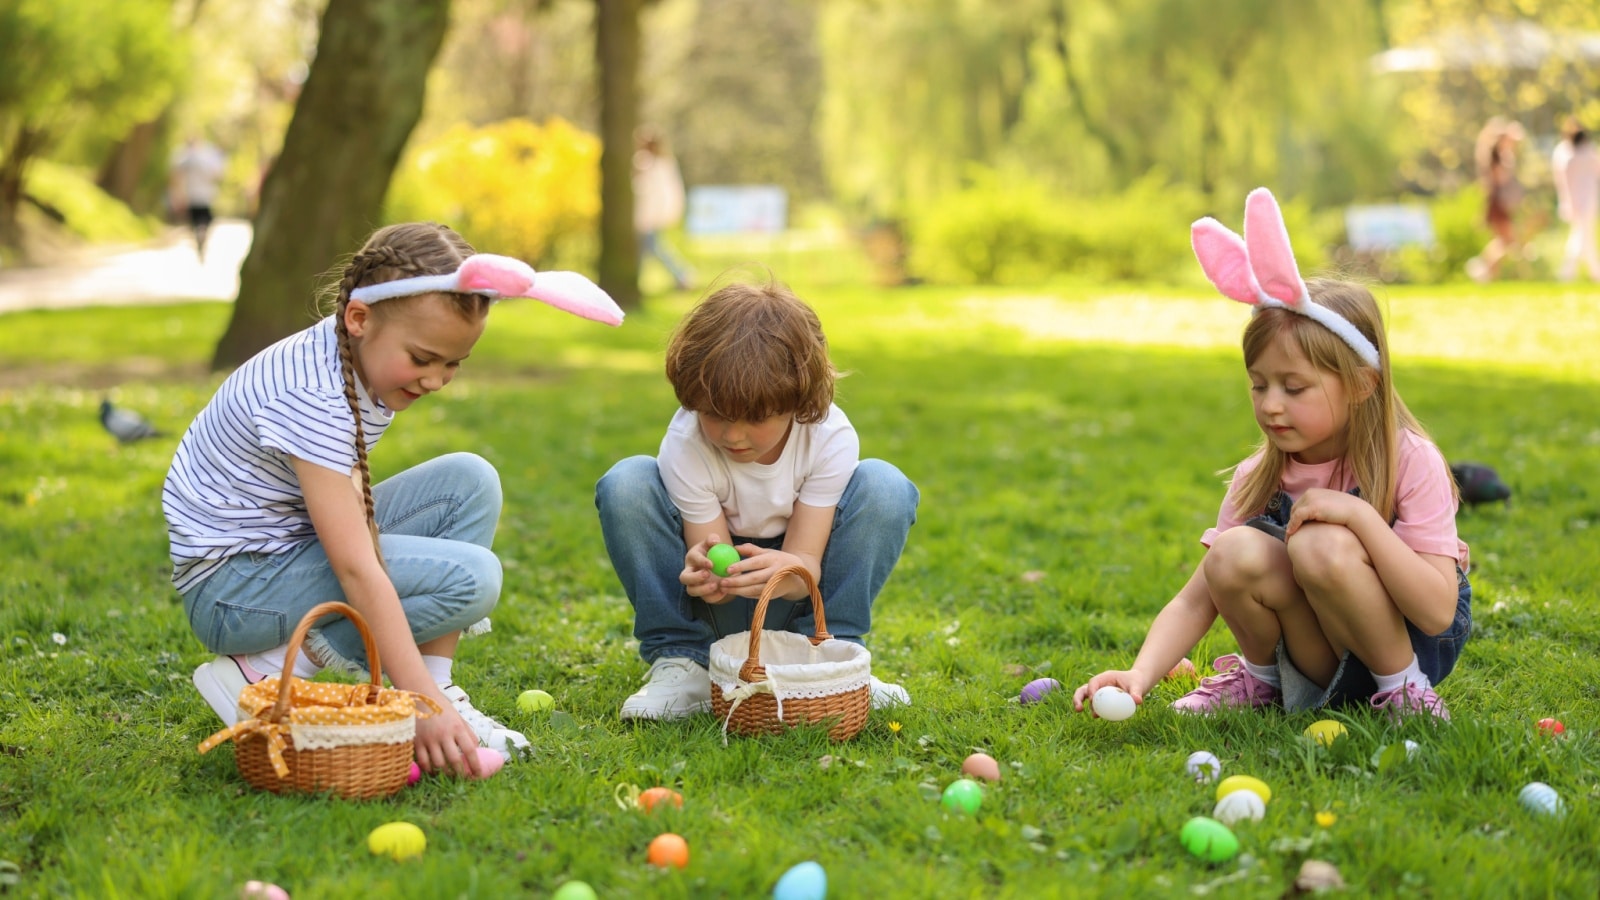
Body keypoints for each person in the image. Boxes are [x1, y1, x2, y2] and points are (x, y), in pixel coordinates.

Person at [164, 222, 624, 774]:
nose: (436, 380)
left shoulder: (345, 352)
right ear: (360, 318)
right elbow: (358, 568)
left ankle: (436, 686)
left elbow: (351, 505)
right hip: (234, 590)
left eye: (453, 364)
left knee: (468, 482)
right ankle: (262, 669)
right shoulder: (312, 395)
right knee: (470, 578)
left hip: (278, 552)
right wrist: (418, 706)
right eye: (423, 358)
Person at [1072, 188, 1471, 723]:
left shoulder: (1410, 460)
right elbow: (1198, 598)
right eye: (1259, 386)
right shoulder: (1259, 476)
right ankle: (1263, 684)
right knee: (1232, 551)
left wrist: (1358, 516)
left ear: (1360, 385)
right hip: (1316, 655)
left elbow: (1437, 611)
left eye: (1295, 387)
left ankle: (1406, 696)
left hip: (1407, 649)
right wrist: (1140, 674)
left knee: (1322, 543)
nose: (1271, 406)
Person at [595, 279, 919, 720]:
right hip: (718, 618)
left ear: (797, 402)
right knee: (627, 482)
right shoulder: (687, 441)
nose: (732, 435)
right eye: (713, 414)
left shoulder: (828, 437)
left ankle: (828, 657)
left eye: (755, 418)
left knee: (885, 486)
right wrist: (709, 577)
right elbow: (720, 574)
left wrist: (785, 569)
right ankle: (683, 661)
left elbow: (804, 564)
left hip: (799, 599)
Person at [633, 127, 693, 291]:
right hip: (651, 216)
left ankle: (682, 275)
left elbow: (650, 193)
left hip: (649, 217)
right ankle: (682, 275)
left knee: (651, 248)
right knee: (649, 248)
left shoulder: (649, 164)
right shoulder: (663, 164)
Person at [1466, 119, 1526, 283]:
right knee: (1506, 241)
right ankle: (1483, 269)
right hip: (1499, 203)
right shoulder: (1496, 158)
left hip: (1501, 203)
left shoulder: (1502, 156)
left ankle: (1487, 272)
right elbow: (1499, 181)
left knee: (1505, 241)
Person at [1551, 116, 1600, 283]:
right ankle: (1575, 271)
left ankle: (1579, 271)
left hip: (1587, 198)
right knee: (1582, 235)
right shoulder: (1564, 152)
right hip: (1577, 200)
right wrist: (1568, 202)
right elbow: (1562, 180)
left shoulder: (1587, 150)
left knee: (1583, 235)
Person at [168, 134, 227, 259]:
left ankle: (199, 235)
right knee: (205, 220)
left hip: (191, 195)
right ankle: (202, 234)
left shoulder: (184, 158)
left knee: (195, 221)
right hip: (206, 196)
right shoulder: (207, 156)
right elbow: (217, 175)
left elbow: (176, 175)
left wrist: (176, 193)